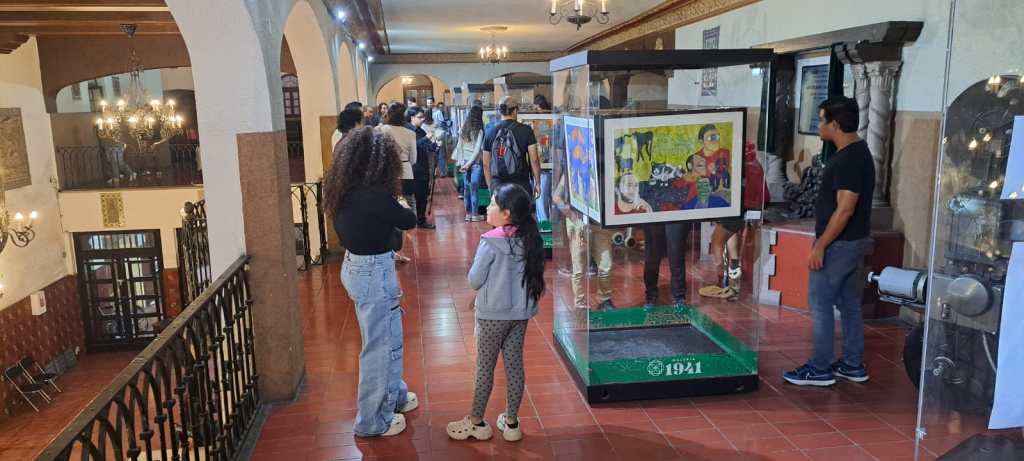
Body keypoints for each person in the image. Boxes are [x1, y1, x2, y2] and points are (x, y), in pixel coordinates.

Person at [323, 126, 419, 437]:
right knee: (380, 347)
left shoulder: (343, 190)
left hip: (358, 266)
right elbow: (408, 220)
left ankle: (396, 396)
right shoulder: (374, 195)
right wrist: (399, 201)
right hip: (373, 271)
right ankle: (372, 421)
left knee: (387, 337)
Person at [784, 96, 875, 387]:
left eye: (822, 120)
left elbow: (845, 208)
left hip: (840, 244)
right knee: (848, 303)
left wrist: (821, 245)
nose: (819, 125)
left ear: (835, 124)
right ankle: (852, 364)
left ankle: (819, 368)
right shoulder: (857, 152)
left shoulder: (848, 159)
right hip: (852, 241)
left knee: (820, 303)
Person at [446, 183, 545, 443]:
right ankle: (511, 422)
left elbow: (474, 280)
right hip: (519, 316)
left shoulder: (490, 241)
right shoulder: (530, 238)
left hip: (491, 316)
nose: (488, 207)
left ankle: (476, 422)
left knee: (485, 368)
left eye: (492, 204)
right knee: (514, 366)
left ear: (506, 213)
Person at [376, 102, 418, 262]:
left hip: (387, 175)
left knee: (386, 211)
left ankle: (388, 249)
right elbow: (414, 159)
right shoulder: (410, 133)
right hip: (406, 172)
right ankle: (400, 250)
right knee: (405, 212)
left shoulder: (381, 130)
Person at [482, 97, 541, 198]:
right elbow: (534, 159)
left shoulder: (489, 132)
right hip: (520, 183)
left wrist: (490, 186)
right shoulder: (526, 130)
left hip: (498, 184)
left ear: (500, 112)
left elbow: (486, 164)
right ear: (515, 111)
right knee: (521, 208)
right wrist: (538, 182)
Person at [405, 106, 436, 229]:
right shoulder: (408, 131)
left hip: (423, 166)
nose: (422, 119)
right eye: (419, 117)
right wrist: (426, 138)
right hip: (413, 167)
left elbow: (427, 146)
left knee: (422, 195)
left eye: (423, 117)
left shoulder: (421, 131)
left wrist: (434, 145)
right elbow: (414, 146)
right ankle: (410, 220)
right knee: (412, 196)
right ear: (411, 117)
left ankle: (421, 219)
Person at [453, 106, 486, 222]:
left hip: (465, 162)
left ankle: (468, 214)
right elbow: (477, 150)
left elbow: (459, 146)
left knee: (466, 189)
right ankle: (475, 214)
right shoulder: (479, 131)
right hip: (475, 163)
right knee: (474, 190)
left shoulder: (463, 128)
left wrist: (462, 163)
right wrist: (469, 164)